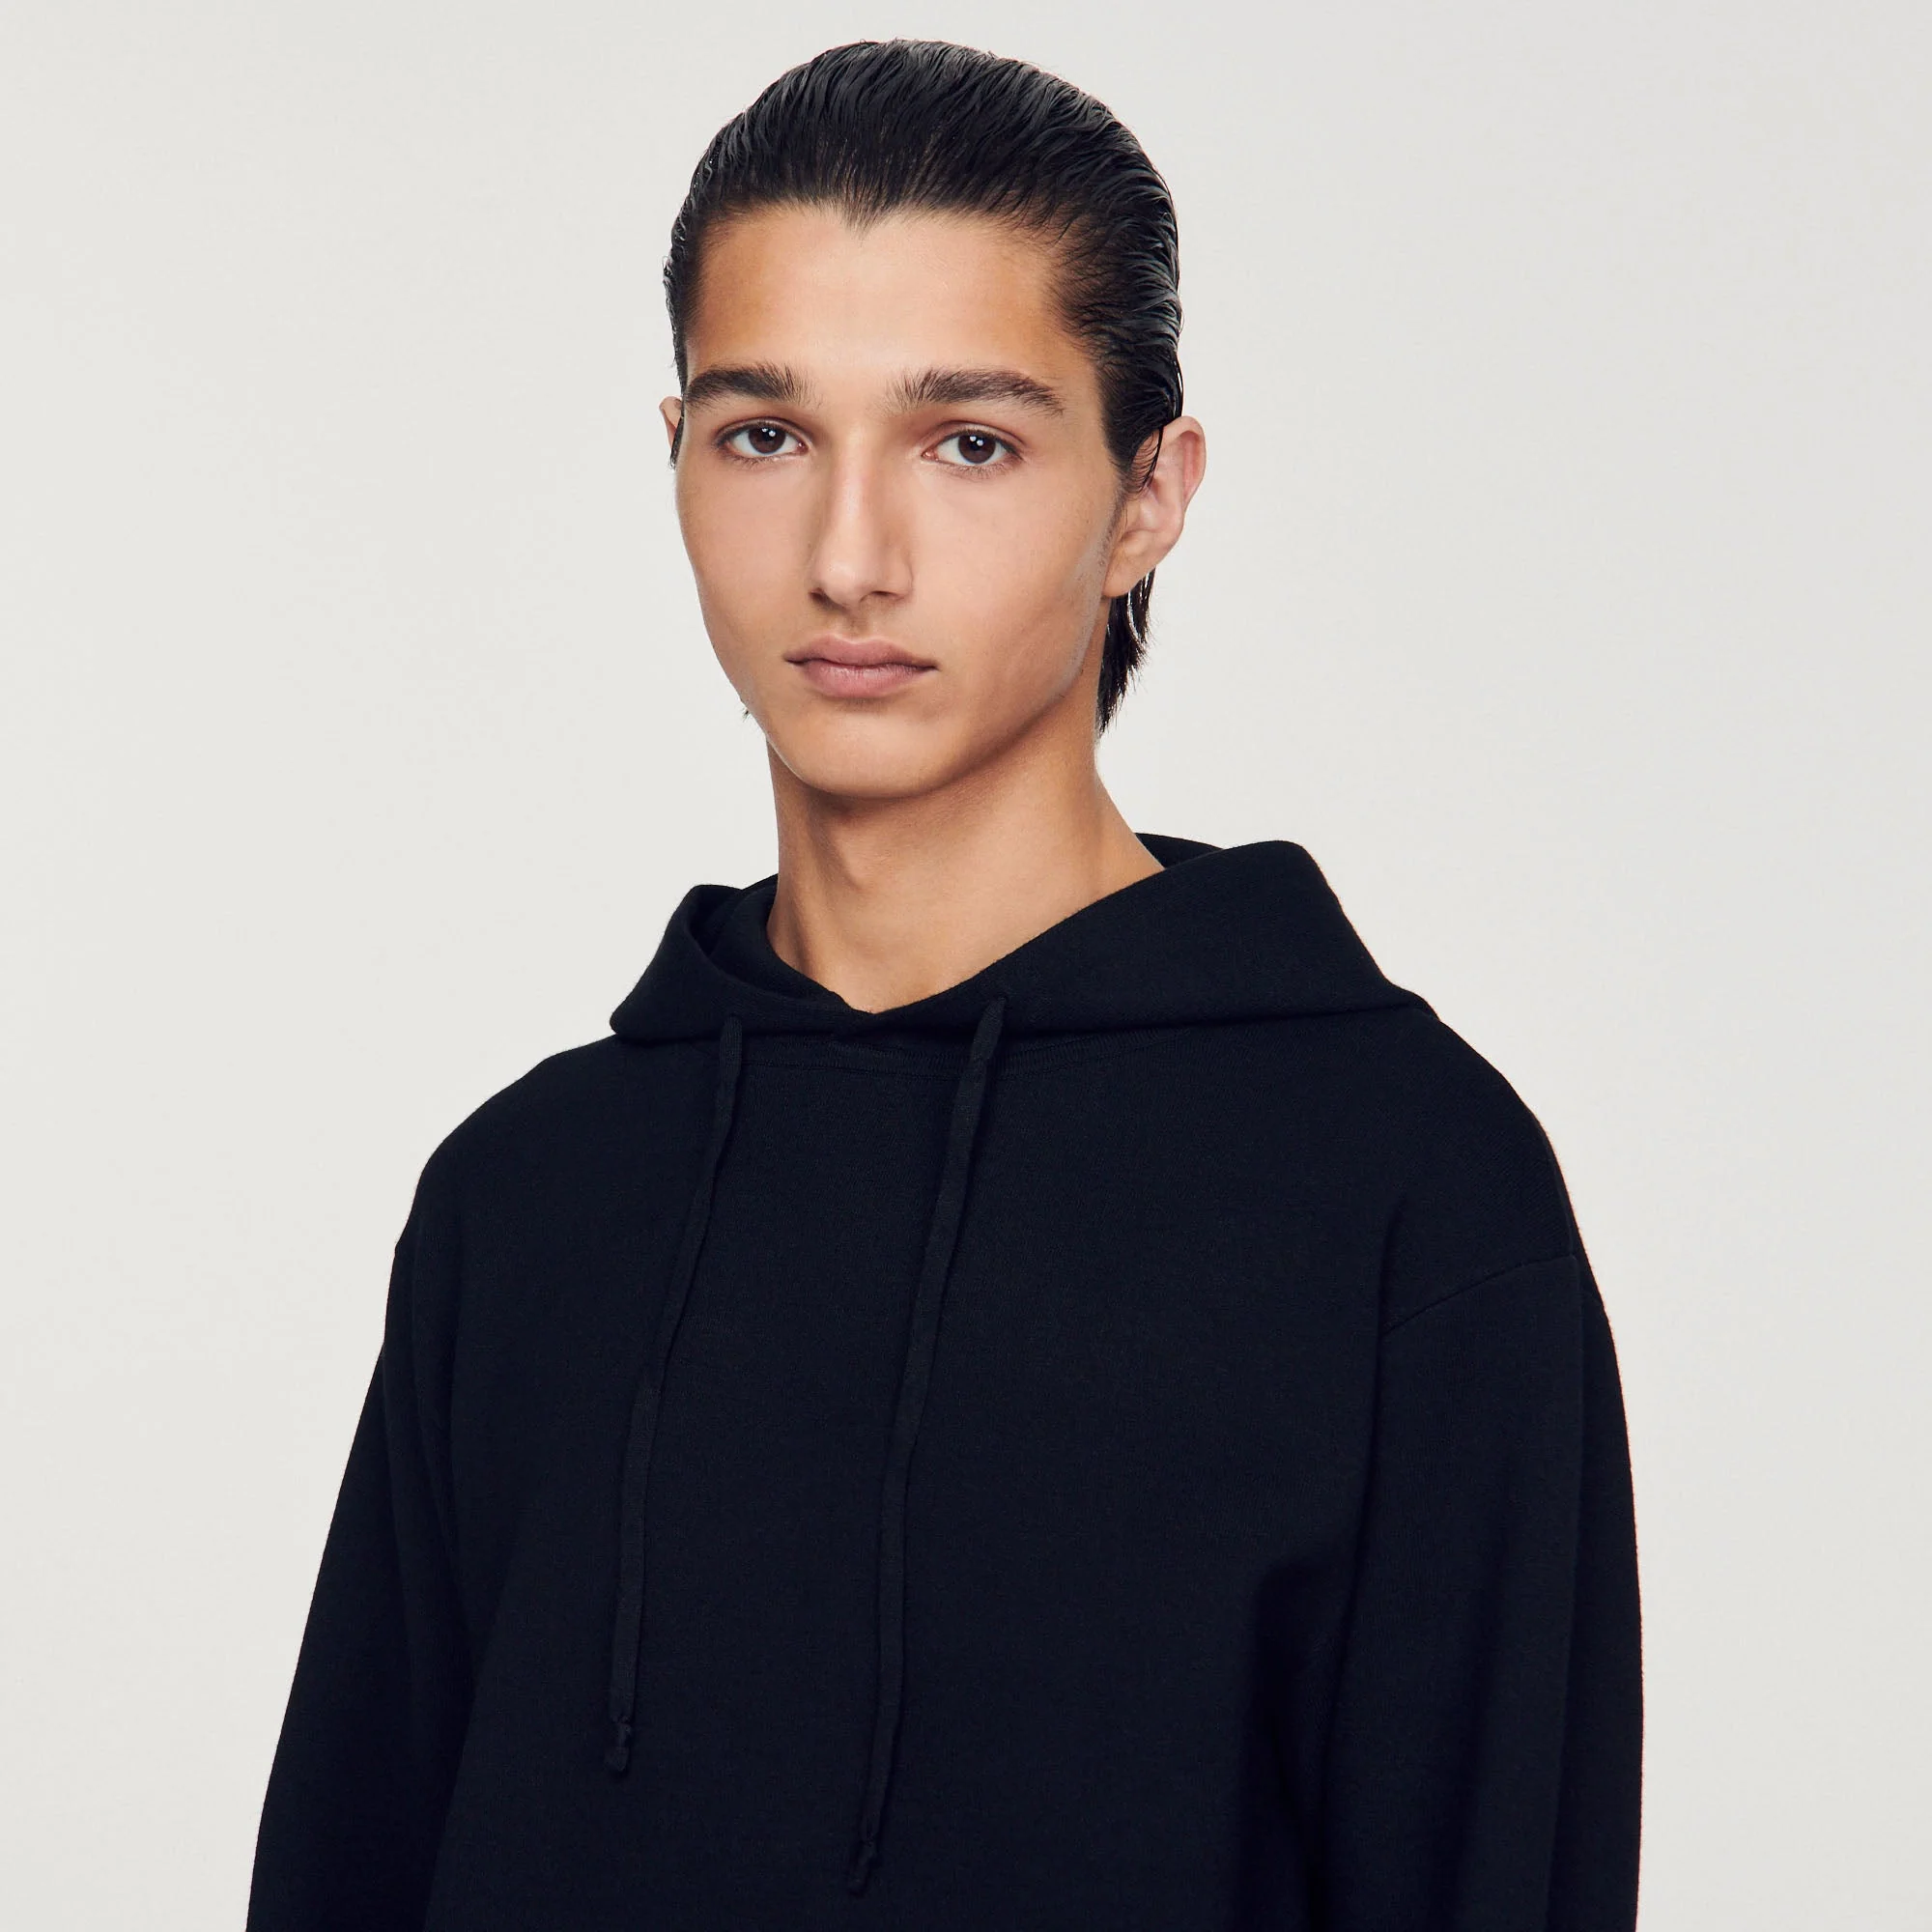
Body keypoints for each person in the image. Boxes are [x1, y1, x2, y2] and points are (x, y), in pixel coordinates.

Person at [247, 39, 1640, 1931]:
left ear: (1146, 496)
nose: (848, 557)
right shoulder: (528, 1195)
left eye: (968, 442)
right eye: (765, 434)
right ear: (676, 461)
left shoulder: (1409, 1191)